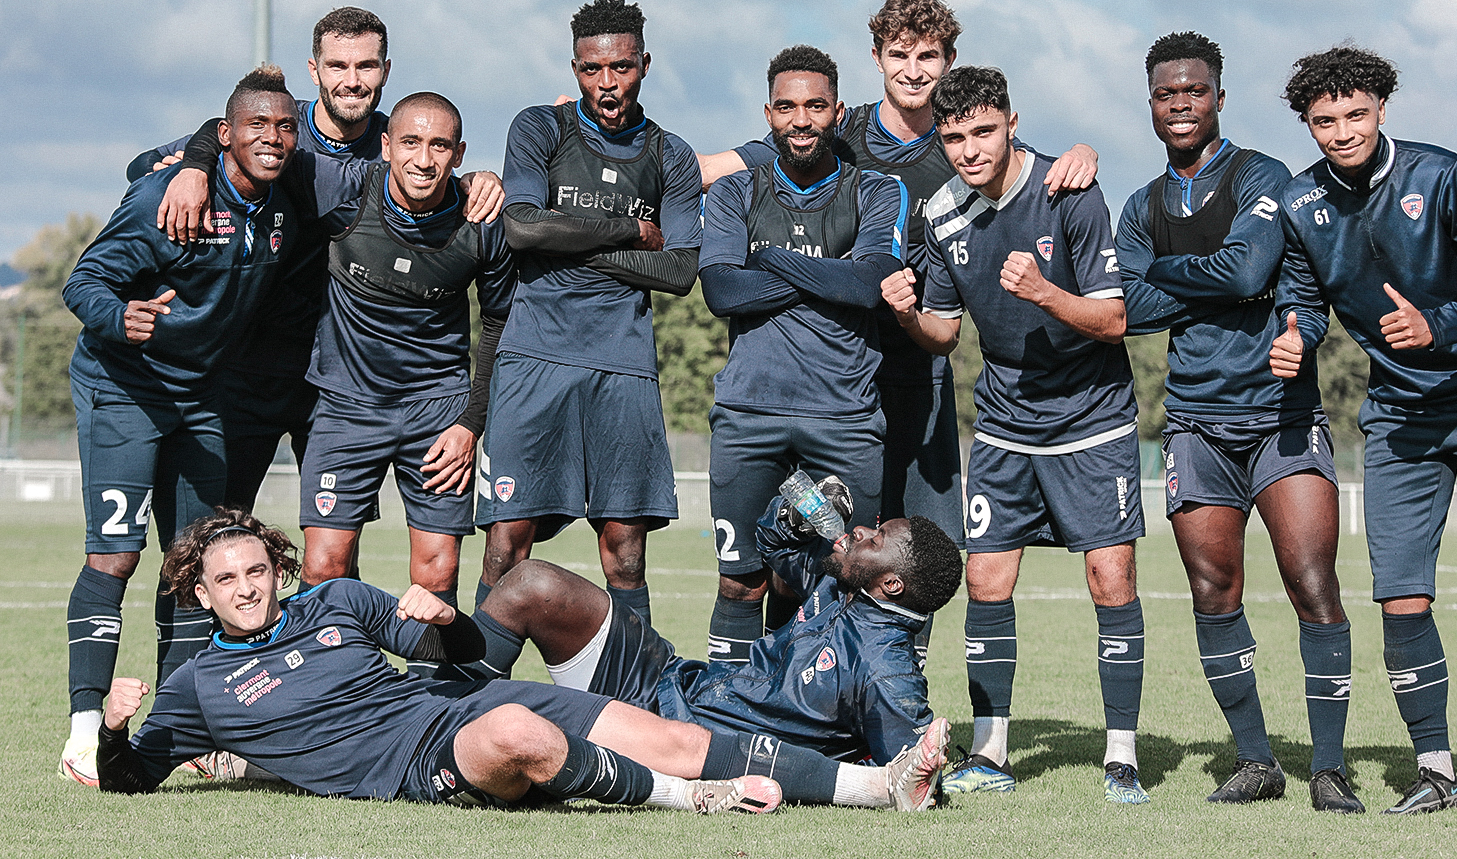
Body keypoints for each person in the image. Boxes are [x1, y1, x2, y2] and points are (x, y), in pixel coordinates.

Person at [697, 0, 1100, 661]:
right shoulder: (839, 127)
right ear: (877, 58)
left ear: (949, 60)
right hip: (833, 383)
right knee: (809, 556)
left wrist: (1081, 149)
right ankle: (784, 696)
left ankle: (894, 693)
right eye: (900, 54)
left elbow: (1038, 171)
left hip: (919, 374)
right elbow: (712, 169)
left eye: (930, 56)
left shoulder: (962, 137)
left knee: (917, 553)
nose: (915, 70)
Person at [1270, 46, 1457, 823]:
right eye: (1325, 120)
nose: (1342, 131)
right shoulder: (1301, 205)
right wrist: (1297, 334)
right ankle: (1435, 770)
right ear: (1308, 123)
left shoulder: (1440, 175)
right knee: (1401, 598)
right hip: (1400, 415)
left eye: (1355, 115)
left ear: (1380, 109)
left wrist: (1436, 323)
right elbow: (1303, 297)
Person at [94, 510, 781, 815]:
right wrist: (114, 730)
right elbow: (129, 780)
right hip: (423, 761)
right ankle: (688, 798)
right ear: (198, 592)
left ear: (279, 569)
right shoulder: (197, 687)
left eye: (256, 571)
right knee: (517, 729)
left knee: (669, 734)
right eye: (226, 581)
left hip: (447, 706)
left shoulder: (334, 600)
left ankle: (865, 785)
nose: (246, 589)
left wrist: (449, 621)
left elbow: (459, 656)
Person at [882, 66, 1148, 804]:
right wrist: (907, 313)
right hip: (1002, 421)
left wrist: (1044, 293)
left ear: (1011, 123)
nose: (969, 149)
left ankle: (1121, 756)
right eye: (954, 136)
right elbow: (944, 333)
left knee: (1111, 580)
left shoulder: (1070, 189)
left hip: (1092, 419)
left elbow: (1114, 320)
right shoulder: (940, 212)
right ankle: (992, 750)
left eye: (983, 132)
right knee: (986, 579)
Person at [161, 92, 512, 638]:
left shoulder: (481, 219)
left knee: (437, 571)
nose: (424, 159)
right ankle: (332, 691)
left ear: (459, 153)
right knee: (324, 565)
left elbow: (499, 323)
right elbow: (237, 133)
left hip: (438, 415)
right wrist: (193, 166)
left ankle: (438, 705)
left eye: (440, 145)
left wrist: (471, 423)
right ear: (387, 146)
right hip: (345, 409)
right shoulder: (344, 193)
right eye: (411, 143)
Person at [1115, 32, 1358, 811]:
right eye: (1165, 93)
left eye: (1194, 90)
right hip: (1194, 420)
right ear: (1150, 103)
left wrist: (1173, 273)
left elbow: (1256, 270)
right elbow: (1129, 310)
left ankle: (1329, 767)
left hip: (1280, 417)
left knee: (1311, 581)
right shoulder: (1139, 205)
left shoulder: (1264, 176)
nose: (1180, 103)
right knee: (1214, 588)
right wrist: (1216, 280)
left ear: (1219, 96)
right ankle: (1256, 761)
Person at [58, 66, 306, 785]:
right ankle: (82, 732)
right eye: (257, 126)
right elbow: (83, 283)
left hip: (202, 396)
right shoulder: (164, 197)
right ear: (223, 135)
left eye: (285, 127)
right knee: (116, 557)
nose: (274, 139)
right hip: (124, 386)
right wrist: (121, 318)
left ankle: (180, 731)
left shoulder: (284, 199)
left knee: (194, 563)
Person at [466, 484, 962, 788]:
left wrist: (932, 759)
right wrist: (792, 516)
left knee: (526, 719)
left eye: (875, 541)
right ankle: (448, 702)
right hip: (670, 678)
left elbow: (911, 766)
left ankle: (445, 740)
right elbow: (769, 542)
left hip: (676, 736)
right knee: (531, 583)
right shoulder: (838, 581)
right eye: (870, 528)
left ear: (892, 584)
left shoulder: (887, 667)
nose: (858, 532)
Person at [477, 0, 703, 627]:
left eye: (622, 68)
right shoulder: (539, 128)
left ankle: (635, 705)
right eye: (591, 69)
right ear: (574, 67)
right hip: (533, 359)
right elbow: (521, 230)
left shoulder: (670, 155)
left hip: (620, 365)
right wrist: (628, 230)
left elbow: (681, 272)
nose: (607, 84)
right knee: (505, 544)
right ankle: (476, 697)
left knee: (625, 553)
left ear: (644, 64)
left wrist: (568, 239)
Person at [126, 7, 394, 512]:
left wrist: (478, 183)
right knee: (212, 533)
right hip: (247, 370)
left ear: (386, 70)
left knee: (332, 544)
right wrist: (191, 167)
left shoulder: (395, 144)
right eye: (338, 66)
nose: (352, 81)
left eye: (367, 66)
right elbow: (142, 165)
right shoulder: (273, 125)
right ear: (314, 71)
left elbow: (443, 173)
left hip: (339, 379)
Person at [697, 45, 907, 664]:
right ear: (769, 114)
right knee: (741, 580)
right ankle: (724, 717)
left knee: (836, 580)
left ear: (838, 113)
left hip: (843, 418)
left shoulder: (877, 190)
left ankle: (822, 729)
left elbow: (869, 284)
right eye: (787, 107)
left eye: (815, 106)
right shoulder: (735, 192)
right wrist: (829, 273)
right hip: (748, 415)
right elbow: (721, 290)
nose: (801, 119)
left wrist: (772, 263)